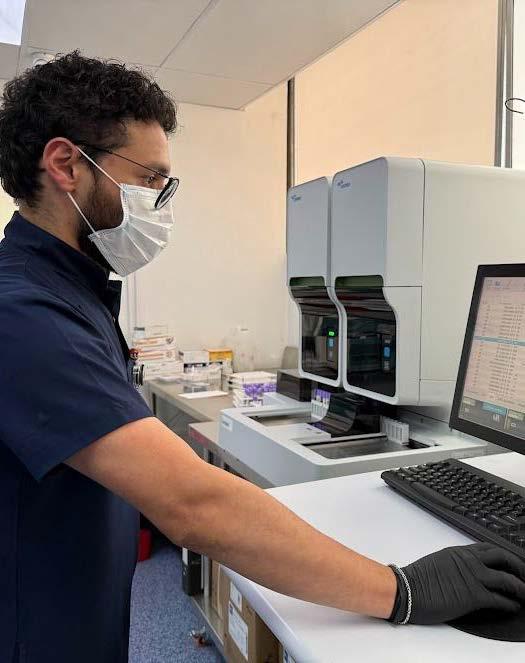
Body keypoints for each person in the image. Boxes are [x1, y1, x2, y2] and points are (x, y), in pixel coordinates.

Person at [0, 52, 524, 663]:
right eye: (151, 179)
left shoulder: (68, 292)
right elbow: (191, 504)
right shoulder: (24, 312)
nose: (161, 203)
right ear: (66, 165)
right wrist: (400, 590)